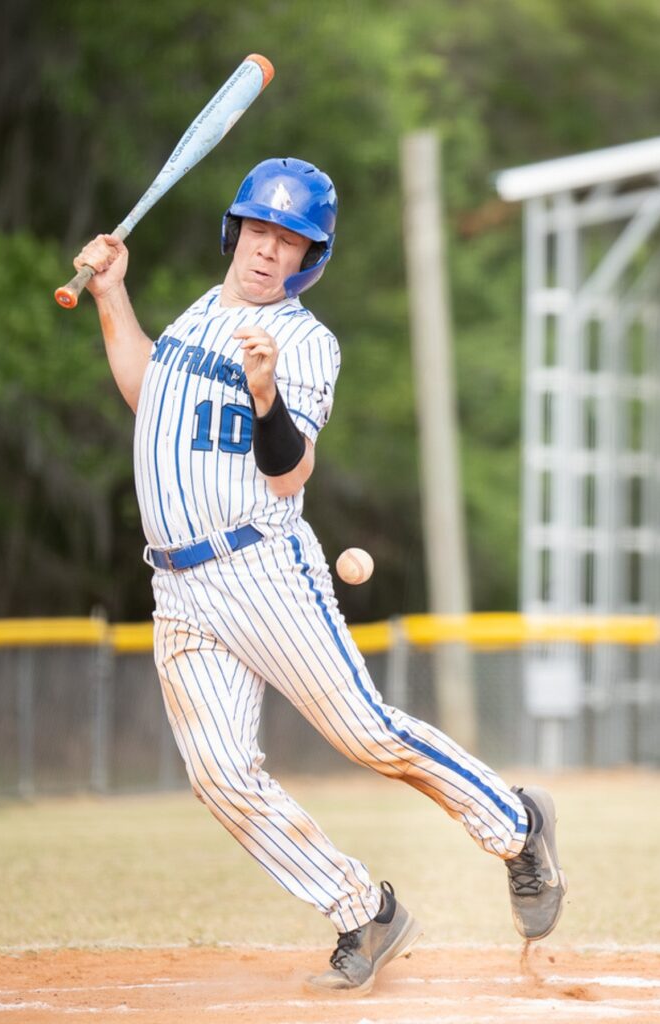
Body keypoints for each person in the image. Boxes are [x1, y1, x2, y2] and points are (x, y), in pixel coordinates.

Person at [73, 156, 567, 995]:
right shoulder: (197, 316)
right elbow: (144, 392)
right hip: (179, 589)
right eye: (259, 230)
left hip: (259, 567)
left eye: (290, 241)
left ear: (310, 259)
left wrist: (265, 395)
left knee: (366, 734)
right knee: (220, 778)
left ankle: (517, 824)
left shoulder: (303, 341)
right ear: (236, 232)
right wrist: (112, 296)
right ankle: (361, 909)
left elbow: (288, 473)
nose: (269, 252)